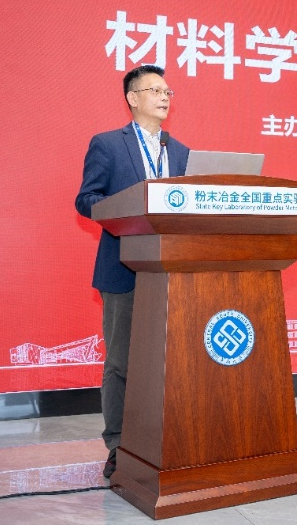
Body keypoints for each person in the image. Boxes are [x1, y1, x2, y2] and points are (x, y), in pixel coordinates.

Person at [75, 64, 190, 479]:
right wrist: (127, 209)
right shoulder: (107, 144)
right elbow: (86, 199)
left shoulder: (181, 152)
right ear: (132, 98)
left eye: (167, 91)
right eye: (154, 90)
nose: (164, 97)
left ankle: (167, 439)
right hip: (123, 268)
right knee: (122, 362)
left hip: (171, 270)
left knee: (170, 362)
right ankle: (118, 444)